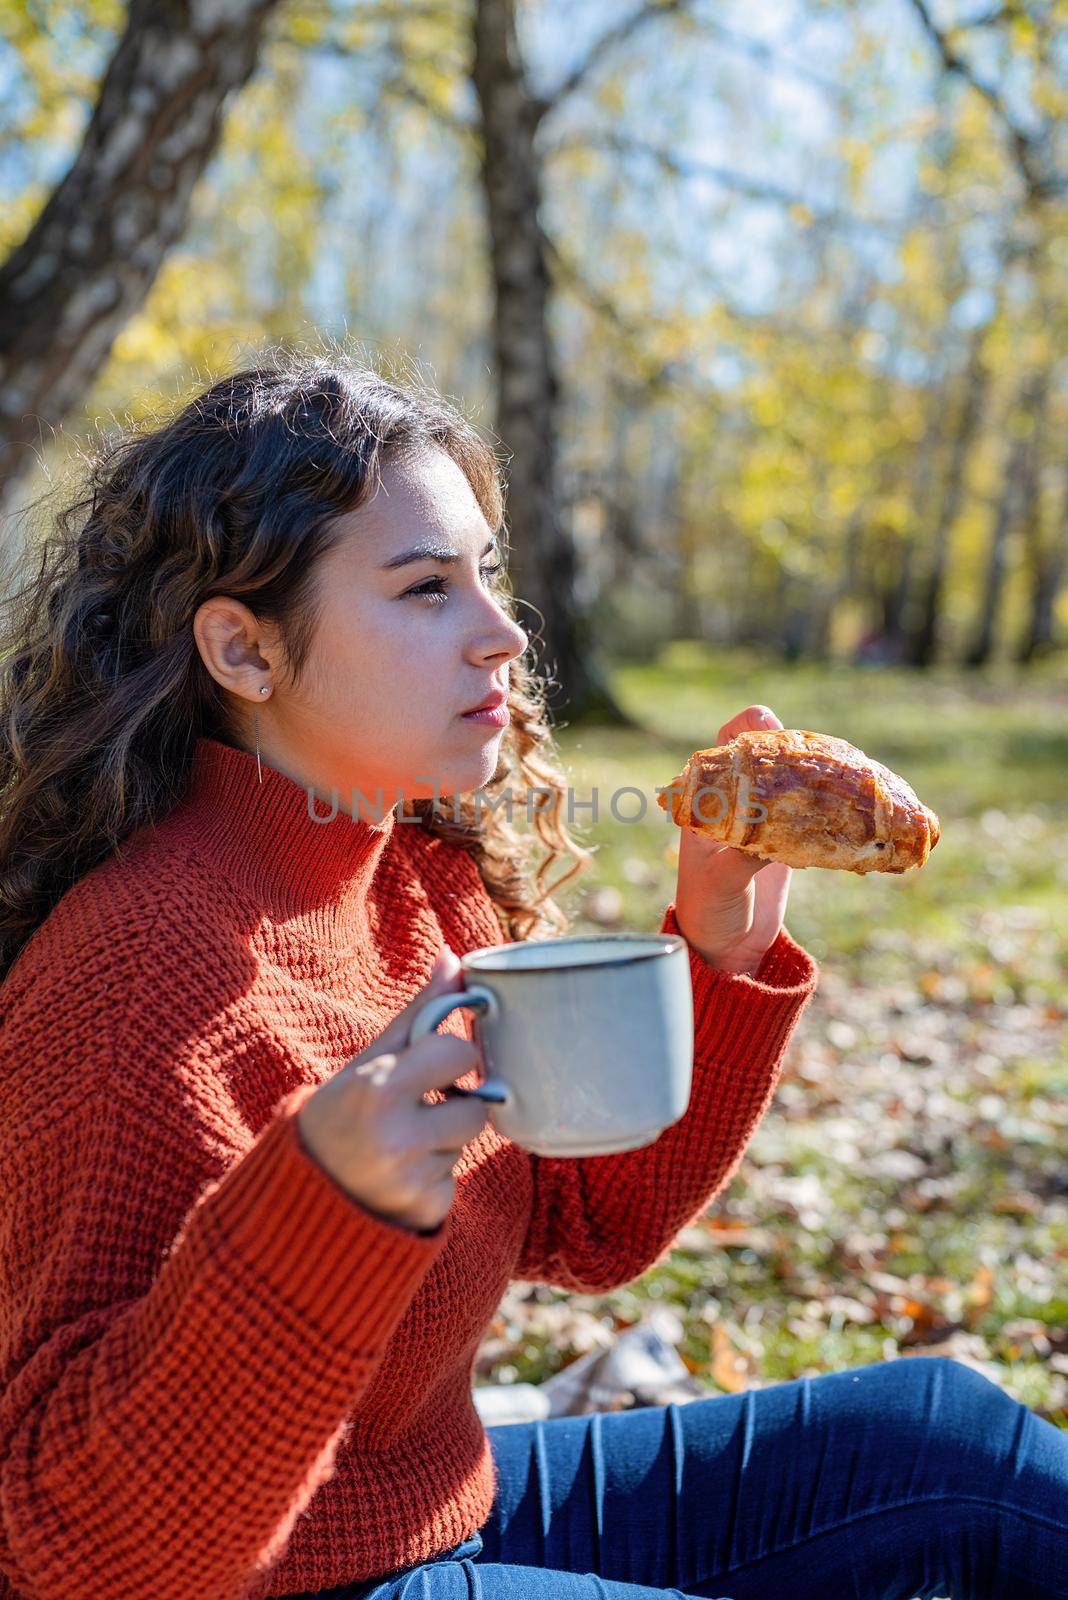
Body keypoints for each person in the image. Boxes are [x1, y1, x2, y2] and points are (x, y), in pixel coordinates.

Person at [0, 352, 1063, 1600]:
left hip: (434, 1505)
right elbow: (72, 1552)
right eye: (424, 589)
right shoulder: (140, 973)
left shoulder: (412, 877)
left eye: (486, 576)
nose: (502, 634)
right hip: (267, 1583)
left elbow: (583, 1223)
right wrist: (319, 1202)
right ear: (244, 649)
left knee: (945, 1440)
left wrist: (716, 947)